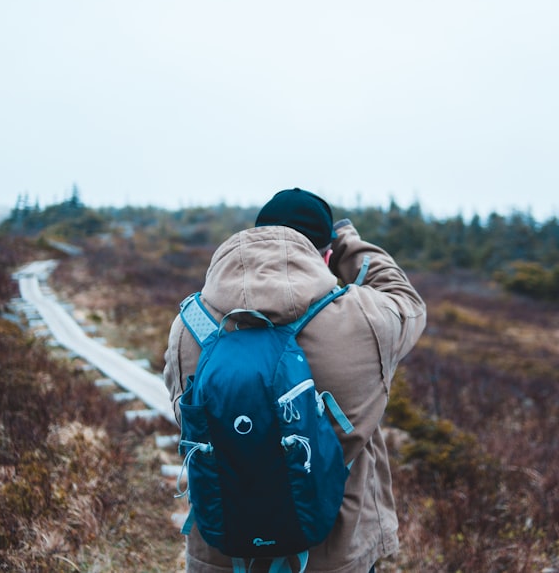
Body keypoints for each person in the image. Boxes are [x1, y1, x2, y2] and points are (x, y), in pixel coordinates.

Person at [164, 188, 427, 573]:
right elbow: (405, 298)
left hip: (223, 553)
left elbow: (185, 417)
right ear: (325, 256)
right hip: (333, 552)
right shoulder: (366, 320)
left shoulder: (190, 325)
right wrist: (348, 244)